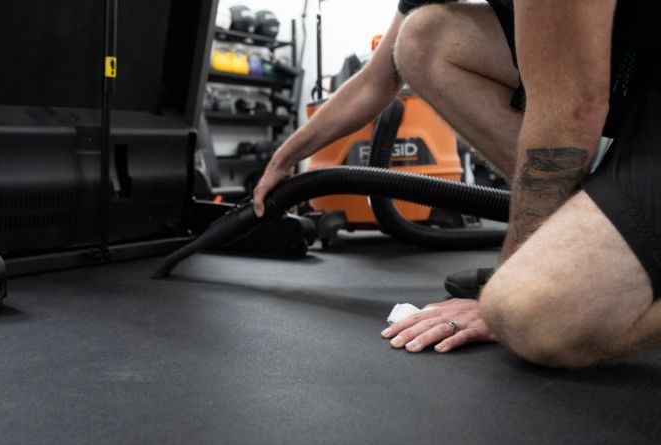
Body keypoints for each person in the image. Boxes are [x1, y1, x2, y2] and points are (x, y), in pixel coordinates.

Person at [252, 0, 661, 368]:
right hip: (636, 88)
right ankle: (588, 244)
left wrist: (508, 281)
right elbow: (375, 81)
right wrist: (285, 159)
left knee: (528, 316)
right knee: (422, 37)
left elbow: (569, 110)